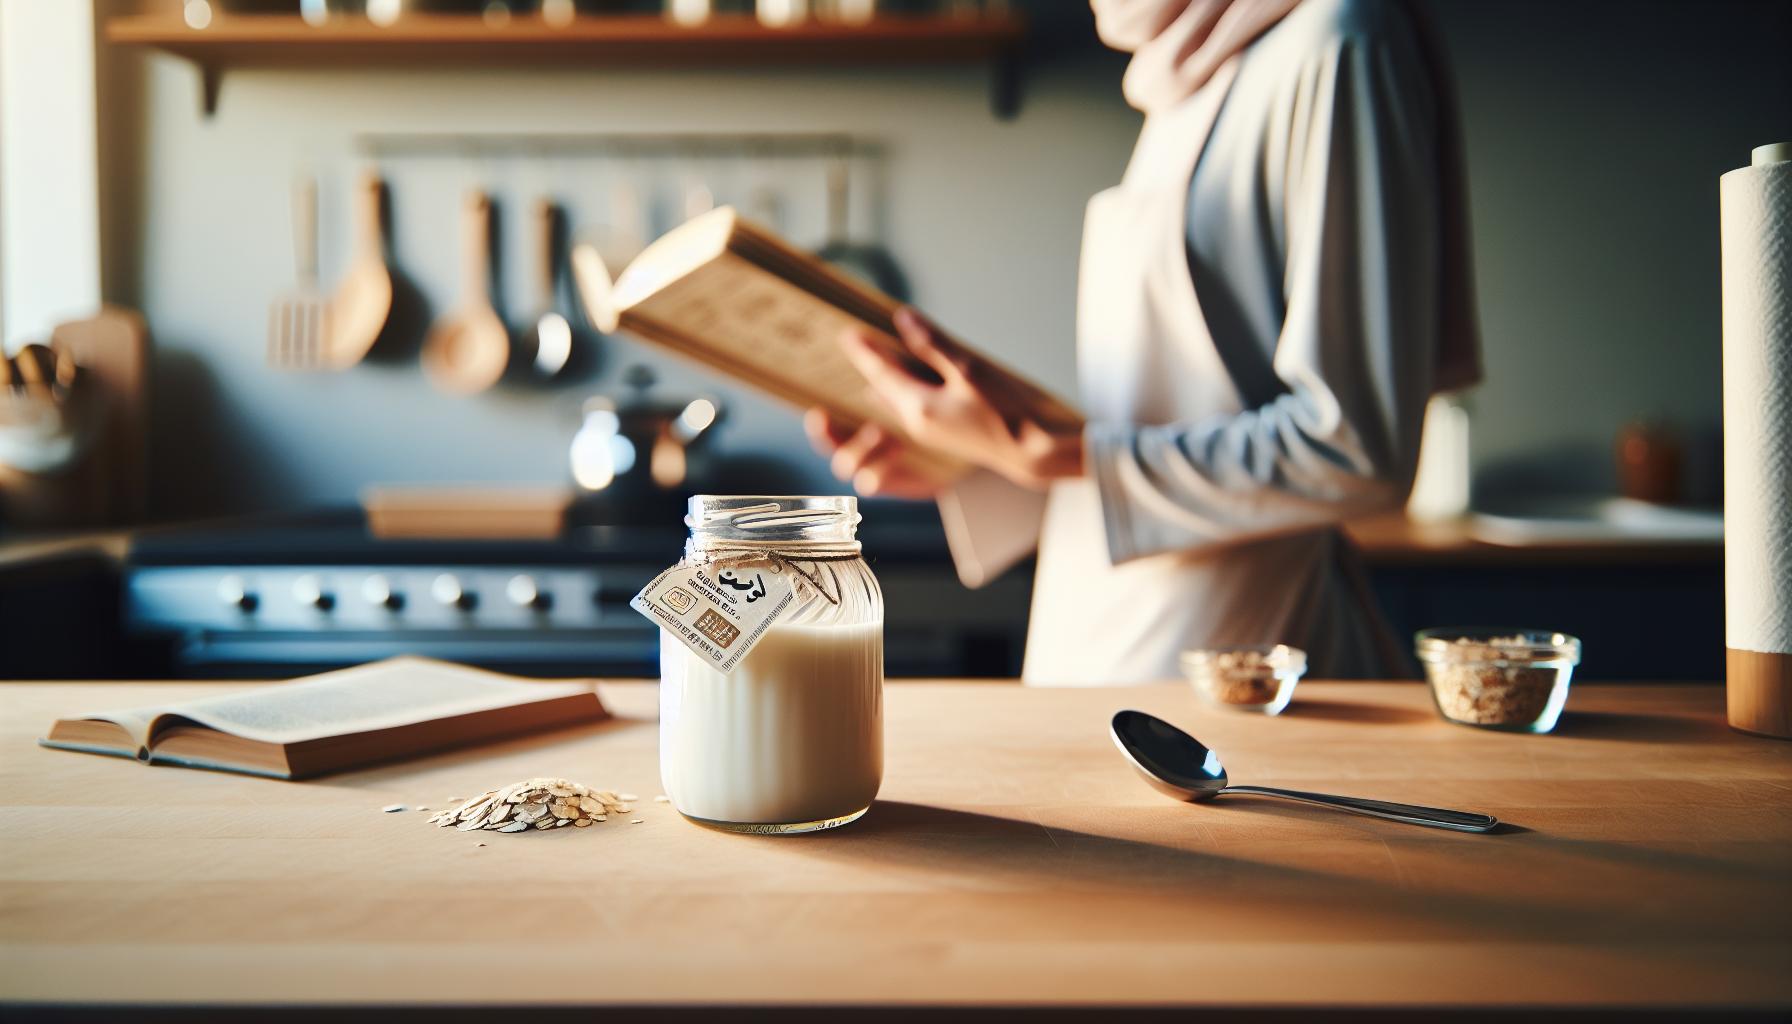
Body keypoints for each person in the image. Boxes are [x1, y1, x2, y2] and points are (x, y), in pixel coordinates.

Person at [806, 0, 1481, 684]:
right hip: (1090, 634)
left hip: (1235, 661)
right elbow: (1176, 413)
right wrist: (985, 459)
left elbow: (1357, 451)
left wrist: (1052, 452)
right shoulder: (1184, 66)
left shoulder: (1339, 38)